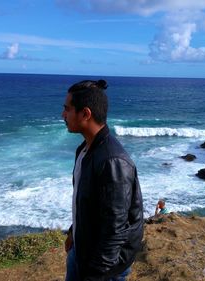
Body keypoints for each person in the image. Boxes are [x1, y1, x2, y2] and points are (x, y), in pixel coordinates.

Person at [62, 79, 144, 281]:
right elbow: (87, 202)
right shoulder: (84, 150)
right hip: (83, 252)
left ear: (85, 114)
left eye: (67, 109)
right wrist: (74, 232)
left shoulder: (112, 161)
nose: (63, 115)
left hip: (104, 267)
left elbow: (115, 231)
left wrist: (95, 275)